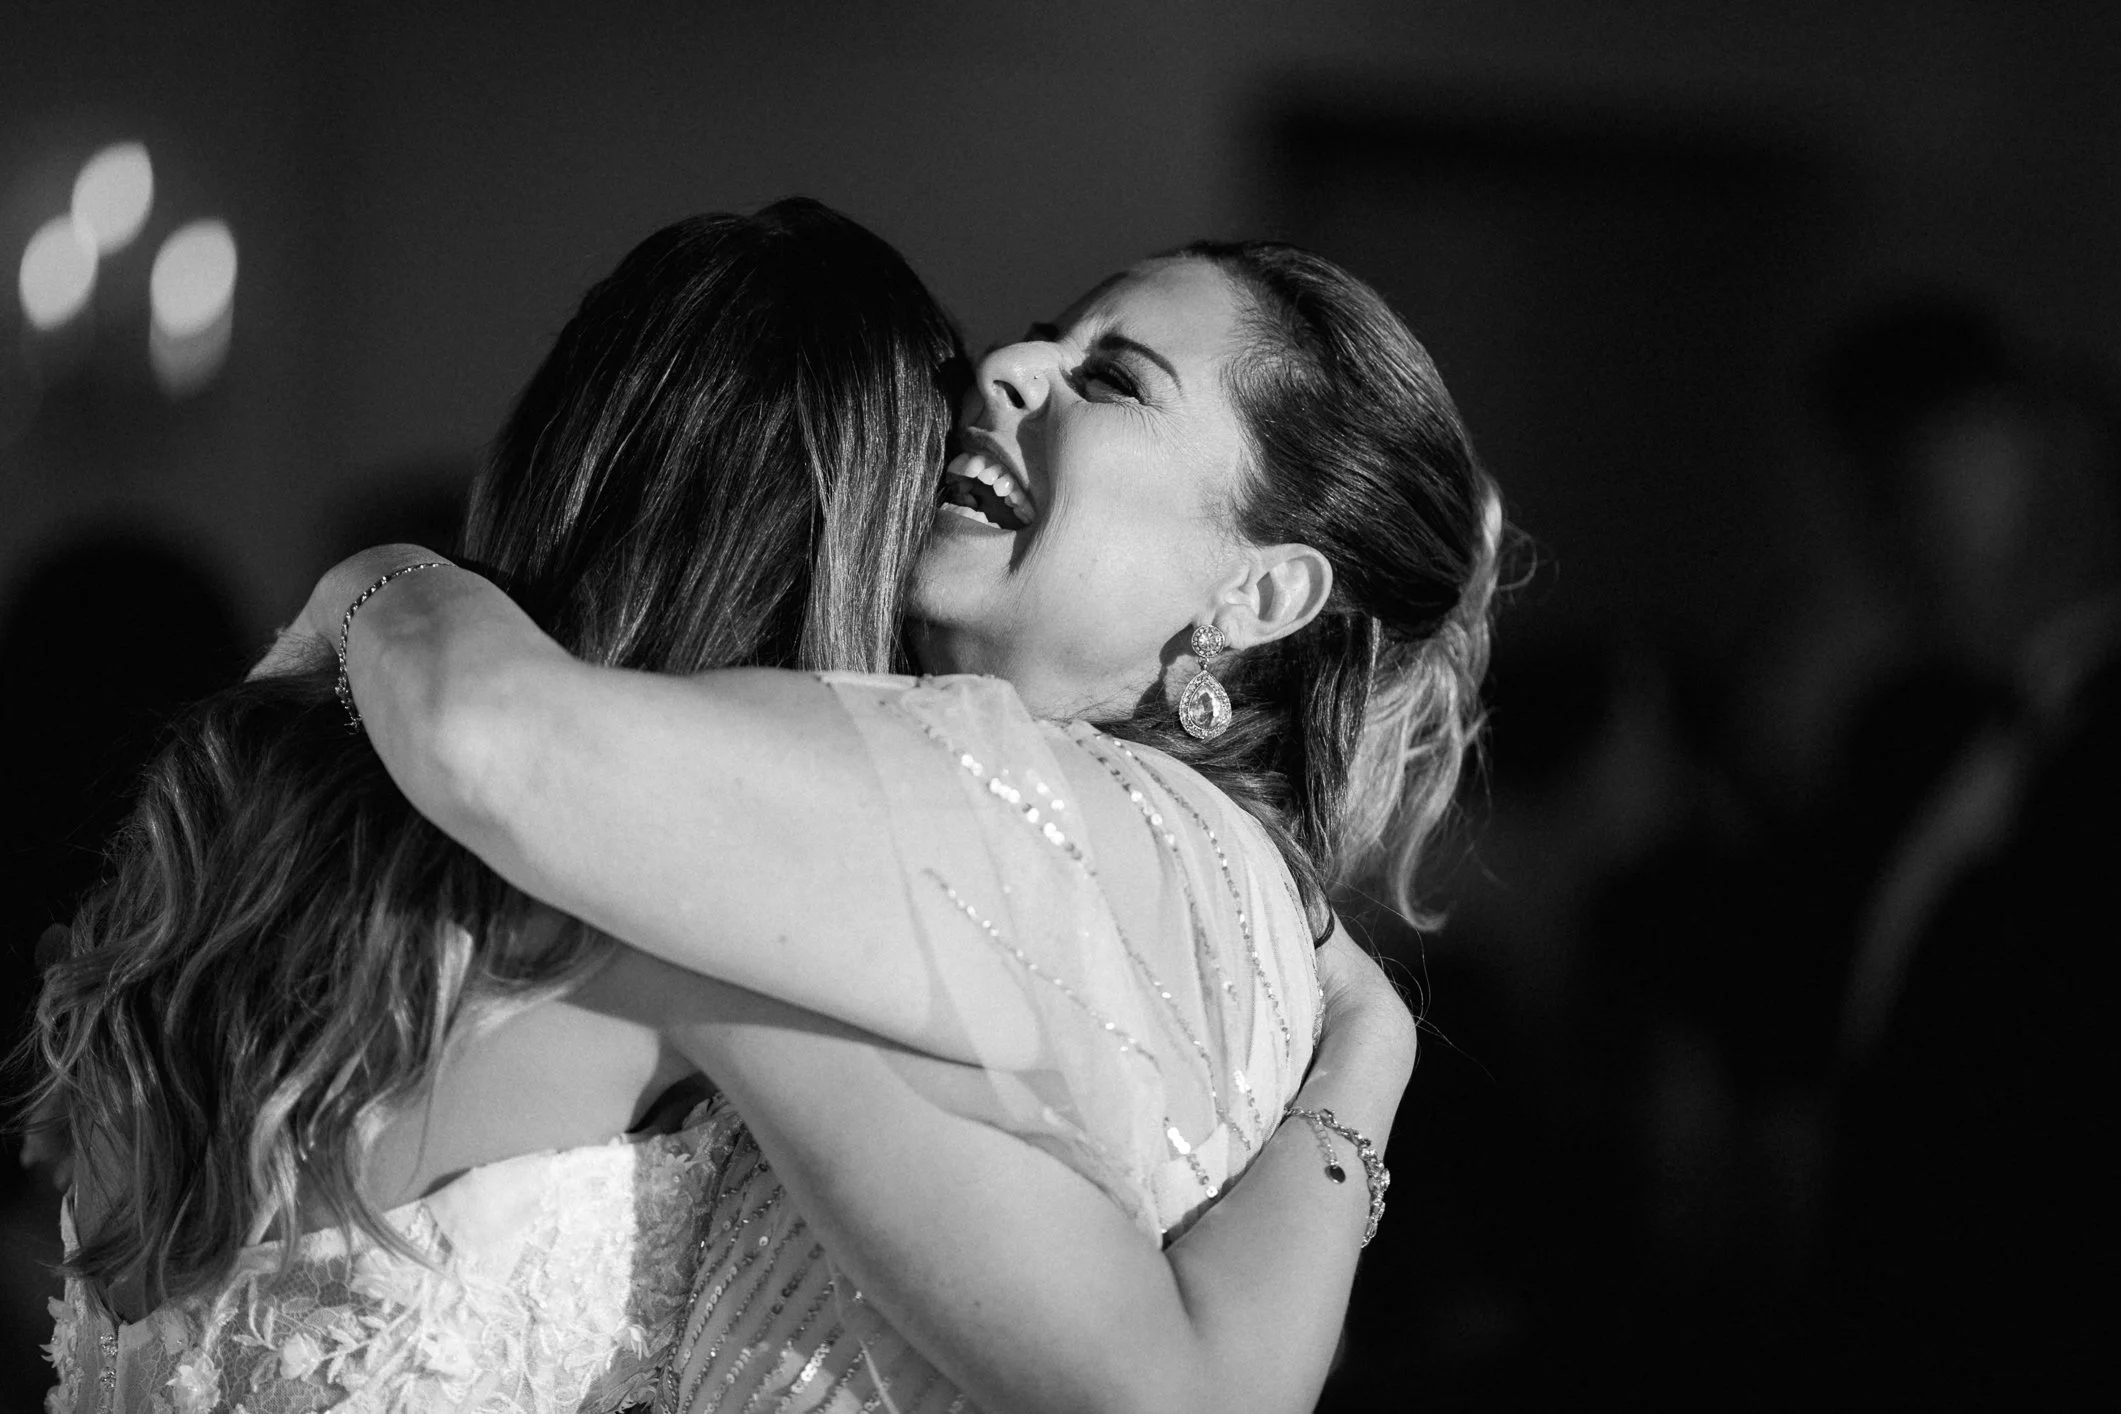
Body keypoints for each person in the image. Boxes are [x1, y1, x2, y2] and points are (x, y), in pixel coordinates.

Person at [32, 201, 1492, 1412]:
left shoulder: (231, 859)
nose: (1019, 365)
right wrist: (1369, 1061)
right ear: (844, 536)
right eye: (1049, 335)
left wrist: (378, 583)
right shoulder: (706, 930)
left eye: (1114, 377)